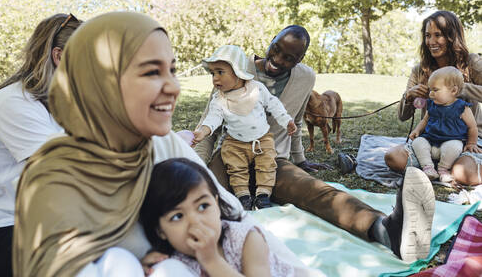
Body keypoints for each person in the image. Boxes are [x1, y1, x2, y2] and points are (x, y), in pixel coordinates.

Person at [12, 12, 308, 277]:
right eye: (152, 72)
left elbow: (235, 217)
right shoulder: (53, 177)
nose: (173, 87)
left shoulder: (161, 143)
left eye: (172, 70)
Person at [195, 25, 436, 263]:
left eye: (289, 58)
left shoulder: (305, 77)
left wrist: (300, 160)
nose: (277, 60)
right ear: (271, 41)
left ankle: (387, 232)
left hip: (272, 157)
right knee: (201, 194)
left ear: (300, 59)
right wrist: (192, 164)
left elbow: (296, 120)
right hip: (230, 155)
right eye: (275, 49)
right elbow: (209, 125)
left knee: (316, 191)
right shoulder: (235, 66)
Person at [0, 13, 82, 277]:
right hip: (10, 229)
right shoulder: (13, 102)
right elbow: (65, 167)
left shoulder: (56, 104)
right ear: (60, 56)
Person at [139, 158, 294, 276]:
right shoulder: (173, 261)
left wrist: (211, 260)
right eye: (177, 216)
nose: (195, 221)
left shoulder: (246, 239)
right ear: (161, 231)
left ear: (217, 203)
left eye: (203, 206)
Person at [192, 45, 297, 210]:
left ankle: (263, 195)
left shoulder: (257, 89)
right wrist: (203, 131)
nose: (215, 79)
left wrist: (287, 121)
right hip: (235, 143)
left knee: (267, 164)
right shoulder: (219, 99)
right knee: (235, 169)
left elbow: (274, 104)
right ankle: (243, 196)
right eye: (212, 73)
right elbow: (213, 118)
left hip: (261, 140)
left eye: (220, 72)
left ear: (238, 71)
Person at [385, 11, 482, 186]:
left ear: (452, 37)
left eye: (438, 35)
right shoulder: (420, 70)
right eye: (428, 36)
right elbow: (402, 116)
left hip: (467, 138)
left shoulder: (471, 62)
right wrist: (409, 96)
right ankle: (435, 167)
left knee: (463, 174)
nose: (431, 42)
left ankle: (450, 166)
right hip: (431, 138)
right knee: (393, 157)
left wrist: (459, 89)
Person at [409, 66, 481, 182]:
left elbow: (472, 127)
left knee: (454, 147)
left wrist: (472, 143)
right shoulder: (432, 104)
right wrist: (417, 130)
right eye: (430, 90)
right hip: (430, 140)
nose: (431, 94)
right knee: (418, 142)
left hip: (451, 141)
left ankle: (443, 169)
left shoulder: (462, 107)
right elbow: (425, 120)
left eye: (435, 90)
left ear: (453, 91)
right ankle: (428, 167)